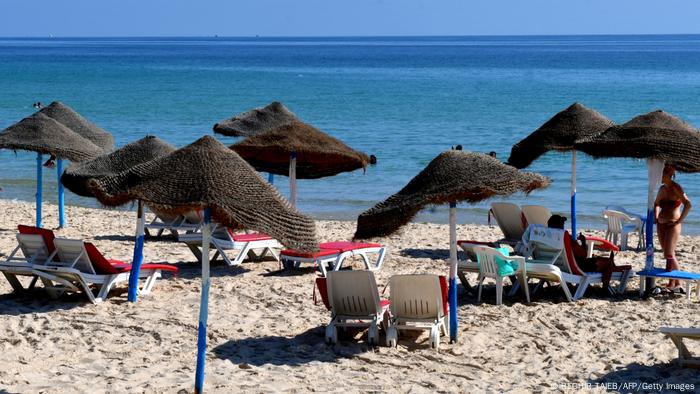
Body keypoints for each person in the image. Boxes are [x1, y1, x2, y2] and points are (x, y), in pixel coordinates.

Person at [547, 214, 619, 291]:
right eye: (562, 223)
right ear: (560, 225)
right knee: (608, 262)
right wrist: (583, 242)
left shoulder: (545, 238)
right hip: (577, 266)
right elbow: (583, 254)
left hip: (554, 266)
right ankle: (604, 290)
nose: (563, 225)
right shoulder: (567, 238)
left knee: (596, 259)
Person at [654, 164, 692, 290]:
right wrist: (656, 217)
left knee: (669, 253)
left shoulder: (676, 188)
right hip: (661, 224)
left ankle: (679, 283)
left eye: (660, 174)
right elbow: (656, 204)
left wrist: (679, 220)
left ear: (668, 174)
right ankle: (672, 283)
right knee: (668, 254)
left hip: (673, 224)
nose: (658, 176)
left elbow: (688, 204)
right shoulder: (662, 189)